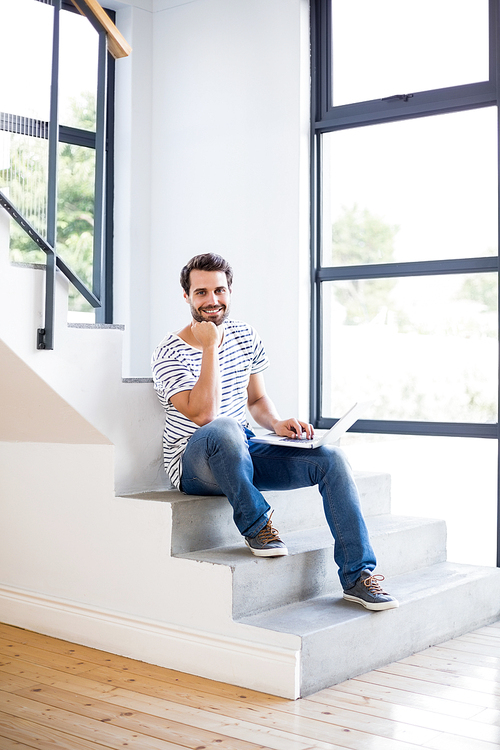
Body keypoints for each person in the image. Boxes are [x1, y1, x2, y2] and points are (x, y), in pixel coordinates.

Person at [151, 253, 398, 611]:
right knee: (224, 427)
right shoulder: (168, 351)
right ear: (186, 297)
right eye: (201, 292)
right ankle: (257, 524)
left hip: (243, 449)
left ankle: (358, 576)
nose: (212, 301)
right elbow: (204, 415)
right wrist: (209, 347)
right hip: (194, 462)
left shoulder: (245, 335)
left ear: (230, 291)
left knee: (331, 458)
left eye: (219, 290)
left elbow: (257, 399)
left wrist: (277, 423)